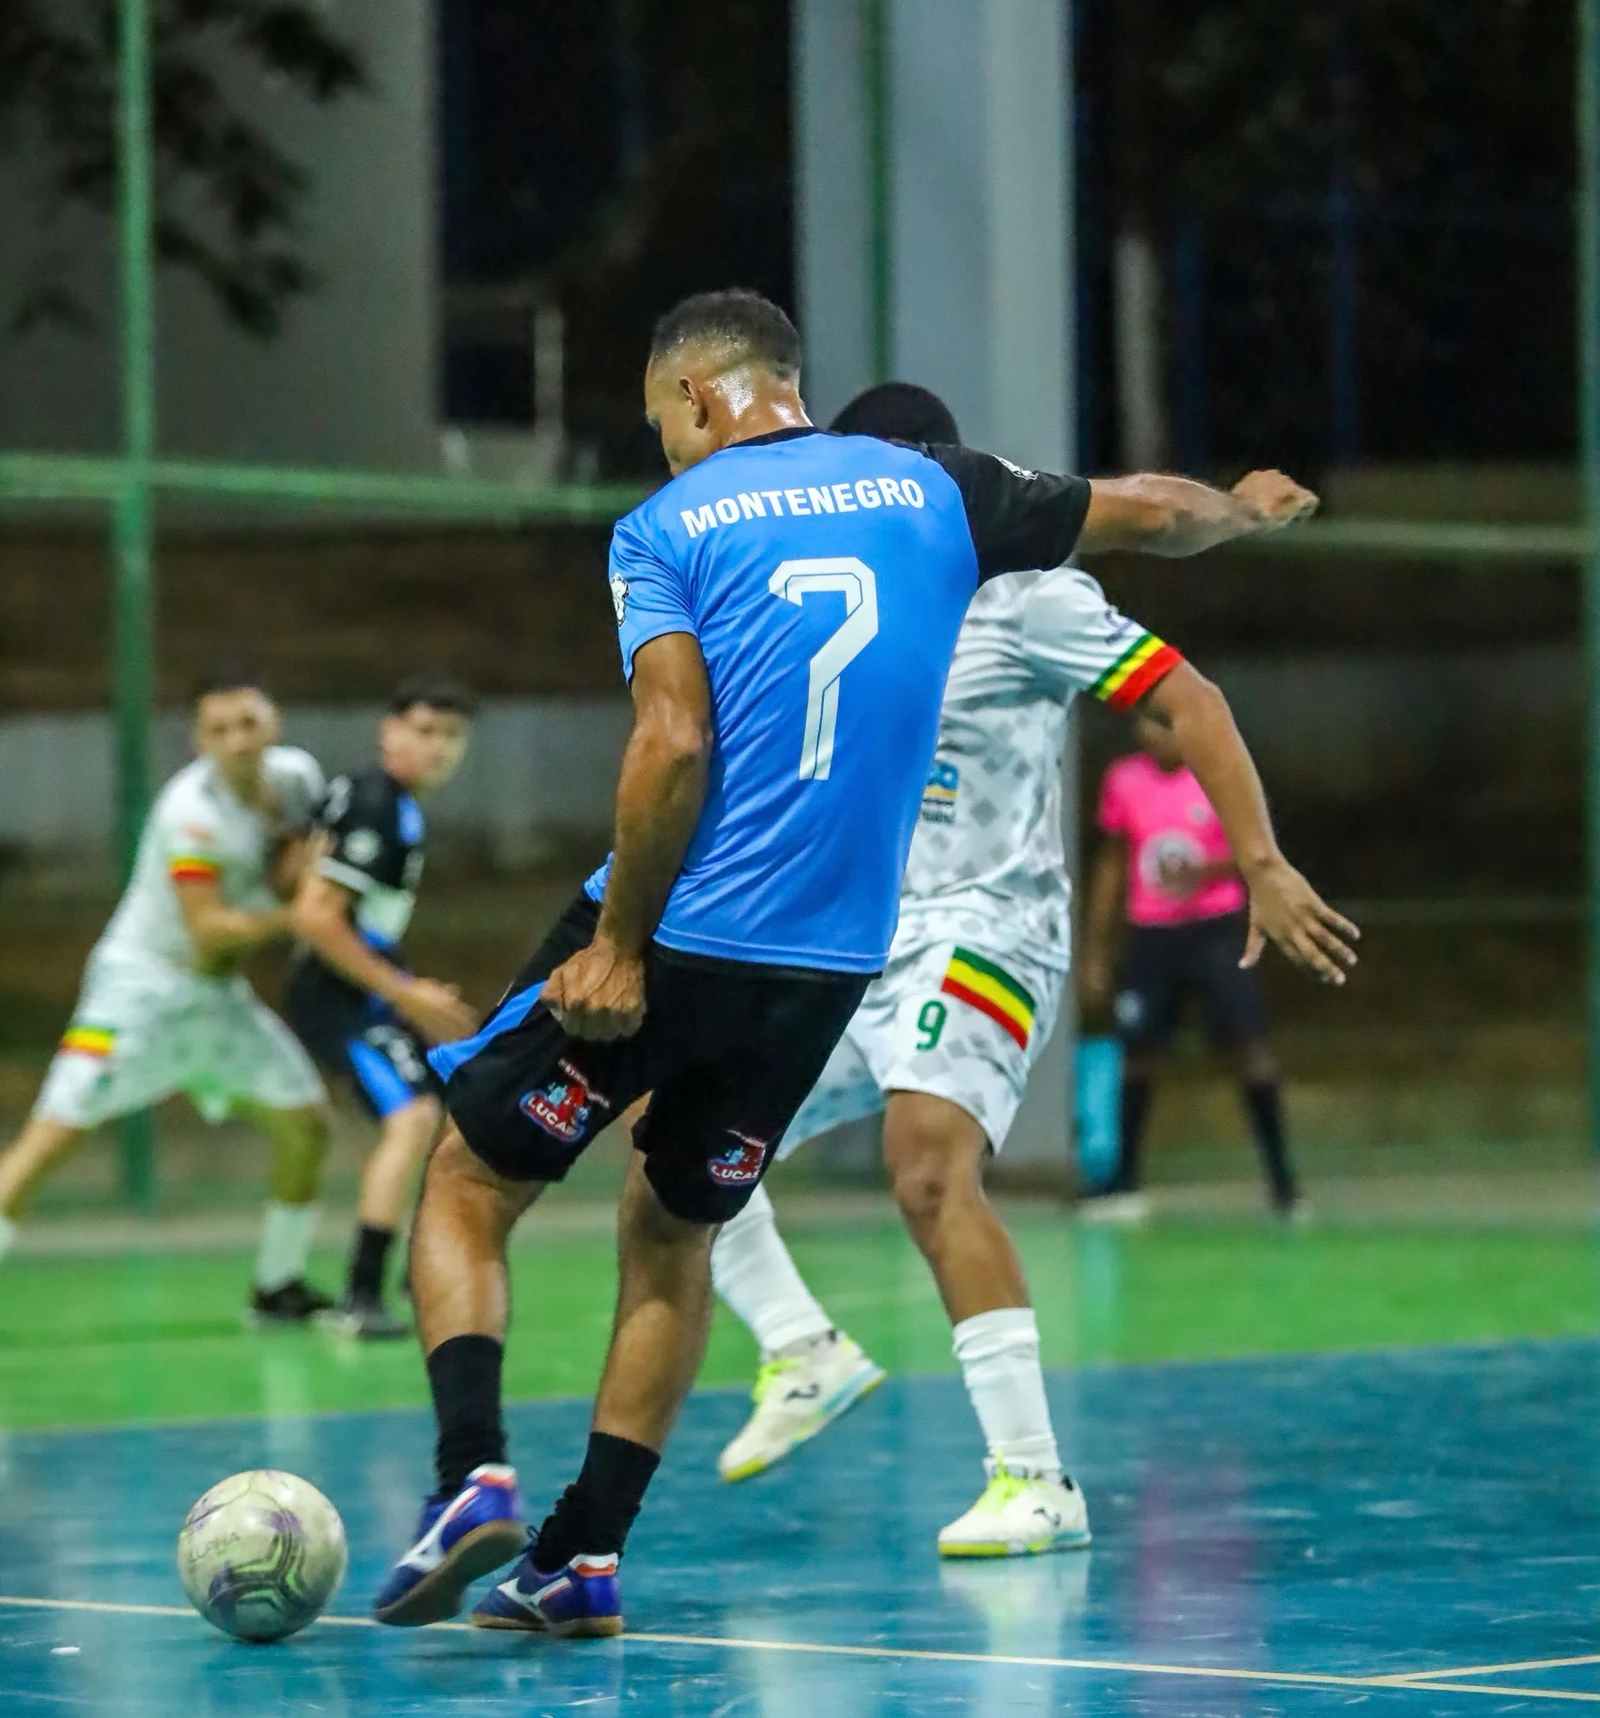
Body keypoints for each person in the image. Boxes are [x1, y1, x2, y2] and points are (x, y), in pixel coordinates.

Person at [371, 287, 1333, 1638]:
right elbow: (1150, 511)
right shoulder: (939, 495)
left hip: (704, 922)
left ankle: (469, 1473)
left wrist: (617, 944)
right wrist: (1237, 507)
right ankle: (585, 1552)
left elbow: (673, 741)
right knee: (675, 1224)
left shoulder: (668, 524)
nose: (662, 444)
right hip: (830, 964)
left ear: (698, 395)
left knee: (468, 1179)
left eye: (659, 420)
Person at [707, 385, 1357, 1557]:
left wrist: (1259, 860)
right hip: (856, 939)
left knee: (925, 1168)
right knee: (683, 1131)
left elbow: (1190, 696)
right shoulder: (832, 606)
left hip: (988, 928)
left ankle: (1035, 1479)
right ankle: (801, 1346)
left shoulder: (1026, 597)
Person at [0, 667, 335, 1324]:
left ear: (273, 722)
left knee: (307, 1125)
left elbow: (298, 862)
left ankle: (277, 1285)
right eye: (219, 729)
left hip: (217, 998)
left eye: (249, 723)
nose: (237, 740)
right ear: (199, 740)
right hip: (137, 994)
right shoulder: (191, 814)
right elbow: (207, 928)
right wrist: (299, 916)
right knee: (49, 1140)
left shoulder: (297, 777)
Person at [286, 677, 479, 1339]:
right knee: (411, 1116)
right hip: (341, 992)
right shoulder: (375, 802)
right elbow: (317, 916)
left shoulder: (385, 800)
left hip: (369, 982)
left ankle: (420, 1270)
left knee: (446, 1104)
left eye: (451, 736)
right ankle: (360, 1295)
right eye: (424, 731)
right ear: (389, 730)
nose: (437, 747)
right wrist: (402, 992)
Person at [1079, 711, 1304, 1219]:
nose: (1157, 736)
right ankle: (1123, 1184)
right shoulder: (1125, 781)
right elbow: (1113, 861)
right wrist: (1097, 947)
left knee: (1249, 1049)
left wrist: (1205, 870)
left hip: (1214, 931)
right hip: (1151, 933)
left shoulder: (1220, 771)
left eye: (1166, 724)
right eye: (1148, 724)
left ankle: (1284, 1183)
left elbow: (1257, 851)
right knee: (1138, 1052)